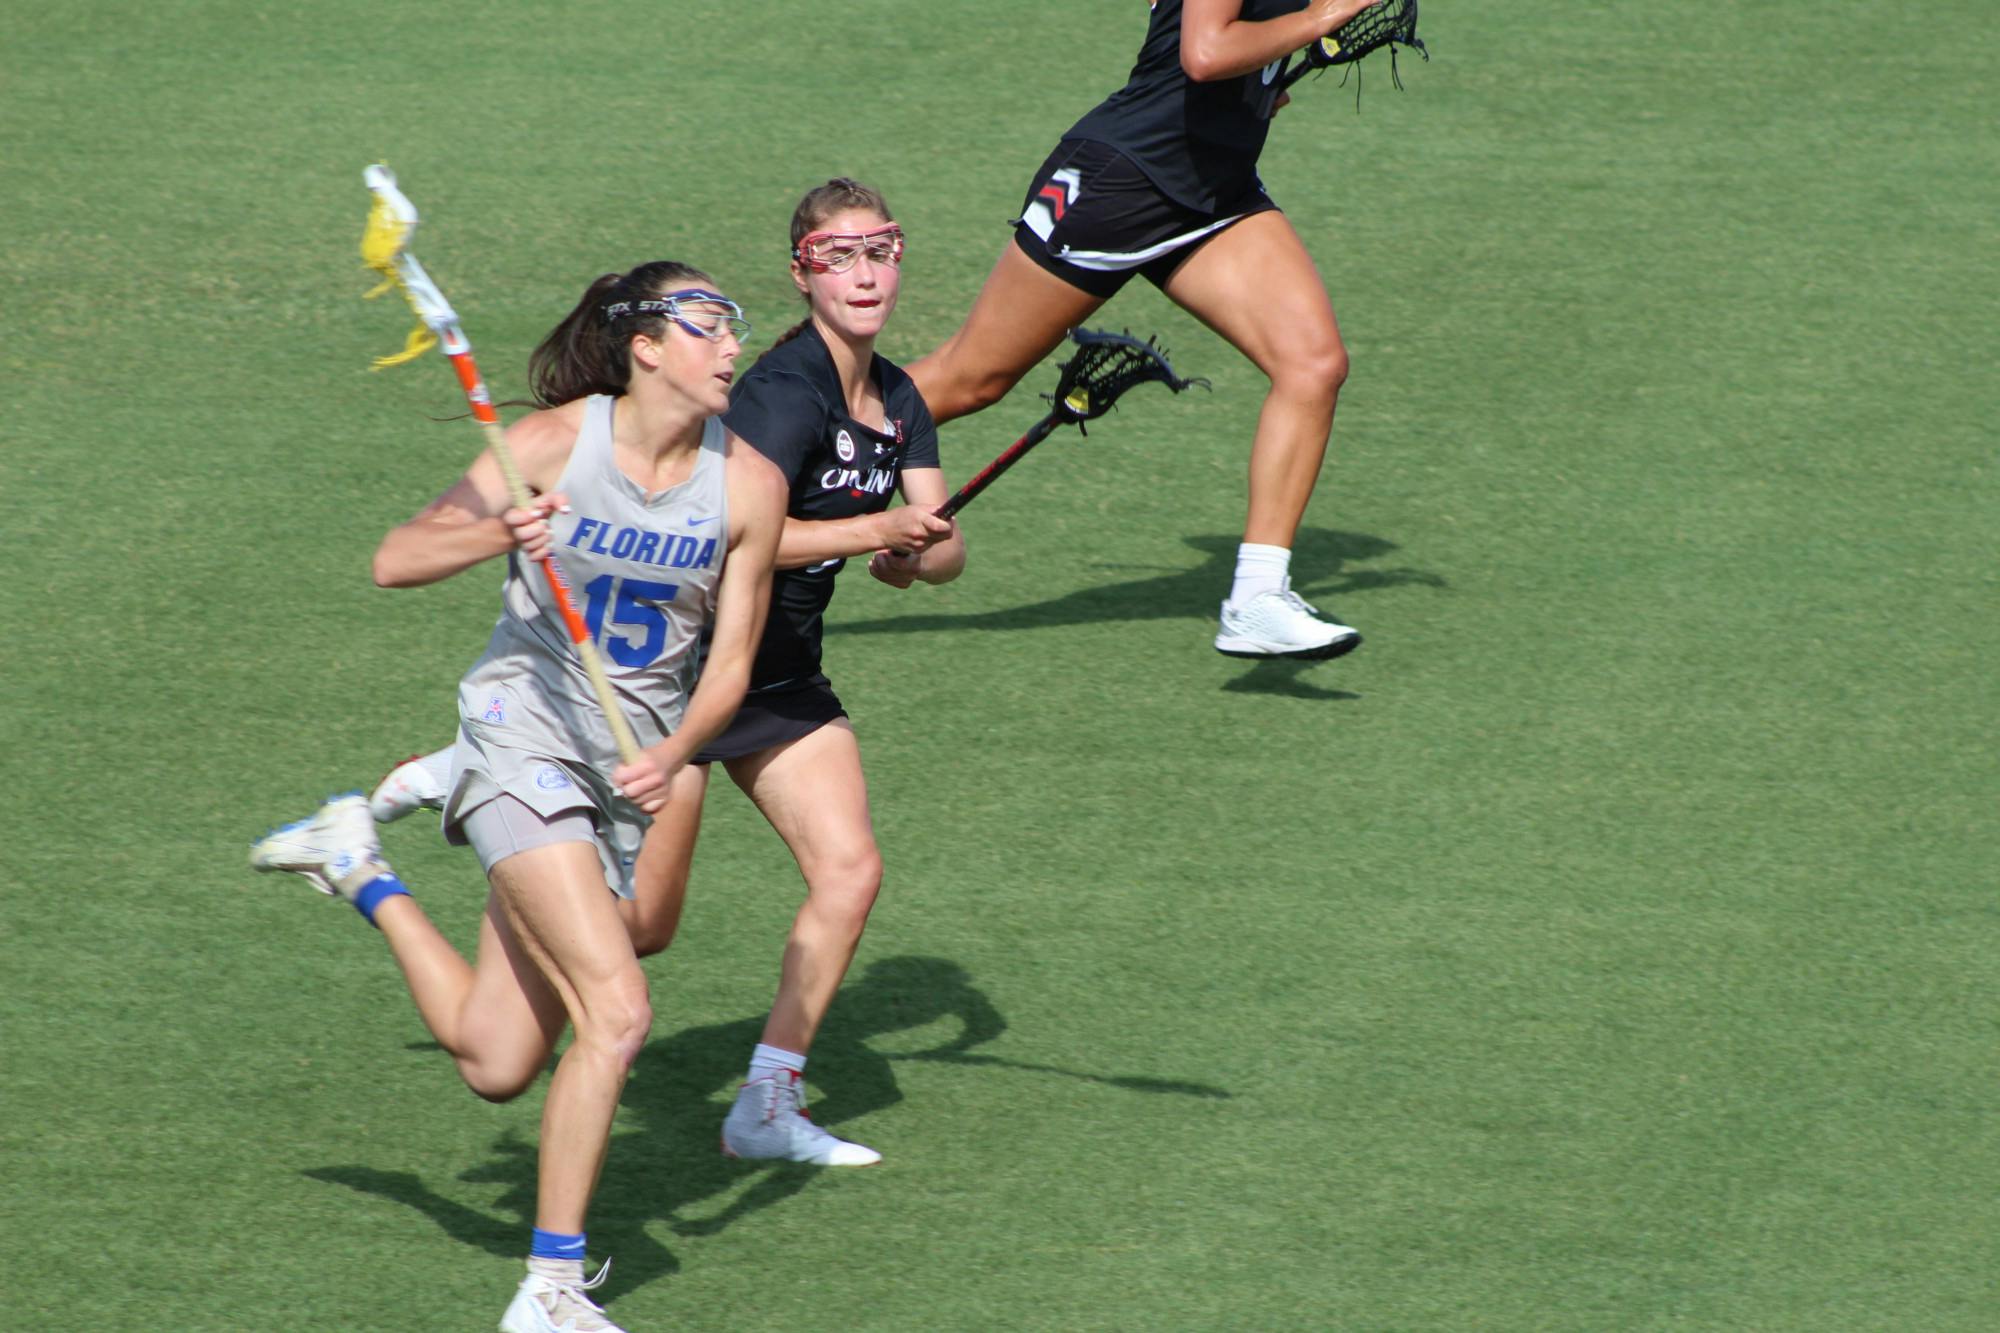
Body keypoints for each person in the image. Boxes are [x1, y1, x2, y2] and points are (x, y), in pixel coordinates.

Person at [283, 180, 962, 1169]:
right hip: (674, 688)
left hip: (773, 676)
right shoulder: (770, 398)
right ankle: (500, 796)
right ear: (802, 274)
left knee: (841, 873)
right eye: (839, 256)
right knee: (633, 935)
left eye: (882, 250)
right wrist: (866, 529)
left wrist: (915, 549)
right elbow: (726, 536)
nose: (866, 273)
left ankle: (766, 1092)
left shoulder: (895, 396)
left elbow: (938, 552)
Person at [251, 261, 787, 1333]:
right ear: (644, 345)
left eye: (734, 325)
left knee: (498, 1060)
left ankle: (354, 859)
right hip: (520, 733)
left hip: (623, 766)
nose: (731, 344)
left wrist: (677, 748)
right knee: (620, 1009)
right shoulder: (546, 447)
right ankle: (549, 1289)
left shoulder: (750, 485)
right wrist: (499, 532)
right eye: (705, 324)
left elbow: (730, 661)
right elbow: (394, 560)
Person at [906, 0, 1381, 661]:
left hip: (1213, 191)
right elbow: (1205, 53)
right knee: (969, 380)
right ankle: (764, 450)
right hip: (1122, 184)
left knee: (1313, 363)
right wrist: (1321, 18)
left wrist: (1260, 86)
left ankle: (1256, 598)